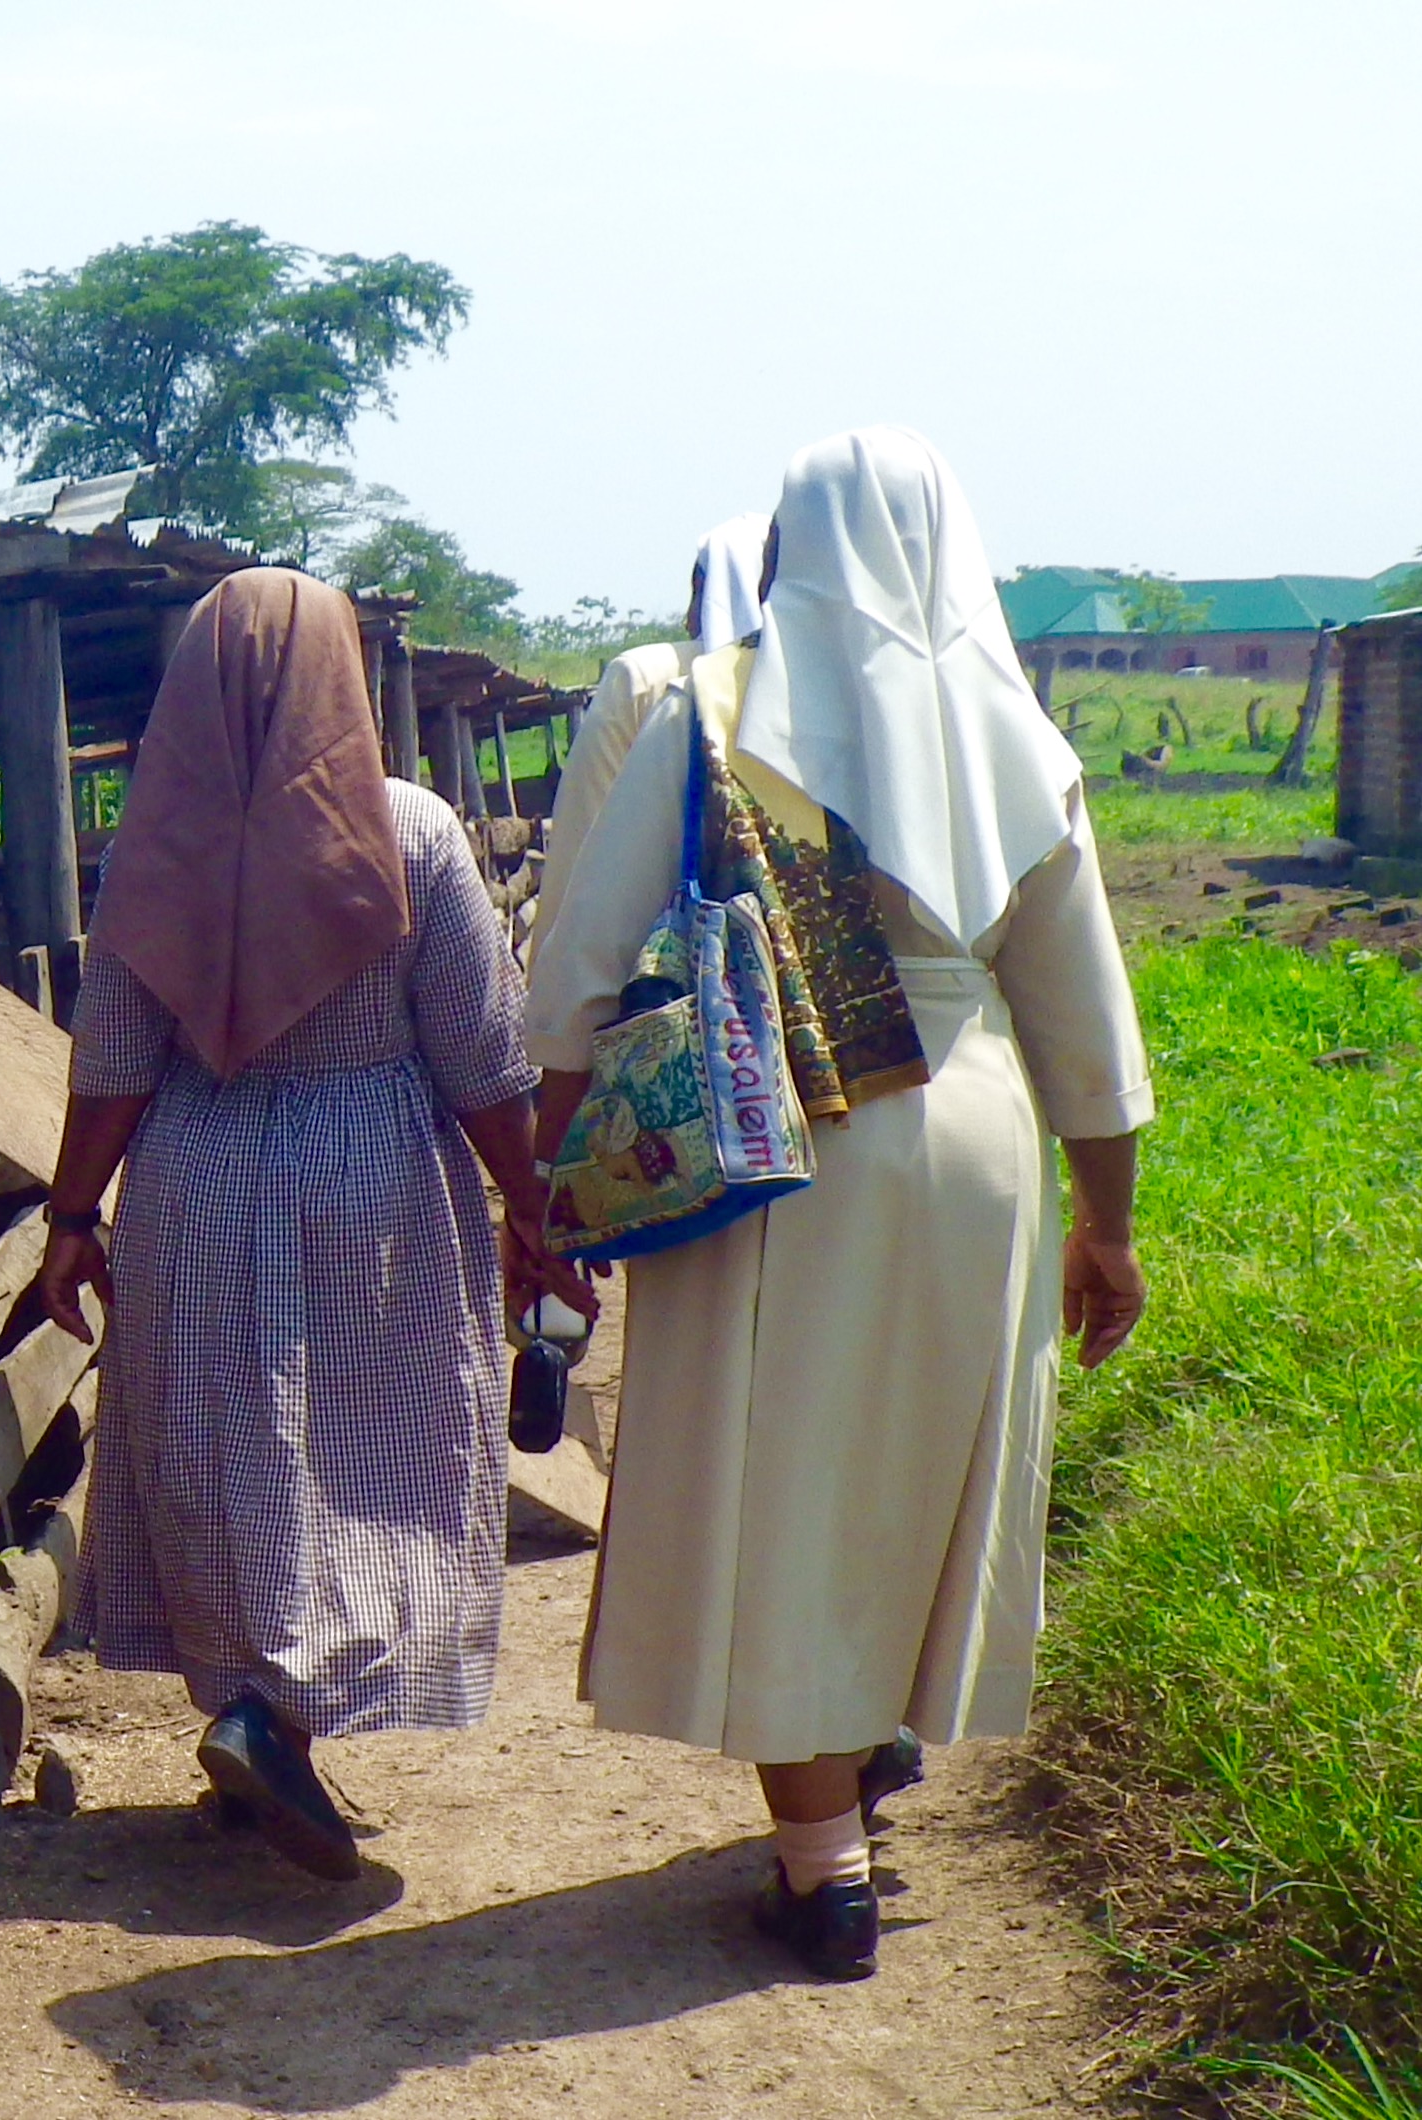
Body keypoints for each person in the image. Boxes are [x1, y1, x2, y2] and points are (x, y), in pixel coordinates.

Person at [524, 428, 1152, 1980]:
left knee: (780, 1490)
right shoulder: (1021, 743)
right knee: (917, 1478)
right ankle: (874, 1746)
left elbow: (574, 967)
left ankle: (823, 1872)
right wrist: (1106, 1229)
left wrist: (551, 1171)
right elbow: (1089, 1032)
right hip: (979, 1141)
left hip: (778, 1135)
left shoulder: (718, 715)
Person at [36, 567, 595, 1881]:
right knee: (371, 1452)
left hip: (196, 1181)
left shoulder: (148, 845)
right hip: (375, 1183)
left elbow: (110, 1056)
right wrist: (533, 1213)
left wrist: (70, 1217)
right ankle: (270, 1715)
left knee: (229, 1444)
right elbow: (480, 1053)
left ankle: (251, 1713)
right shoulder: (409, 833)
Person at [524, 515, 773, 969]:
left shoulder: (642, 680)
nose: (686, 618)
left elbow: (577, 863)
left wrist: (548, 1005)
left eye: (699, 593)